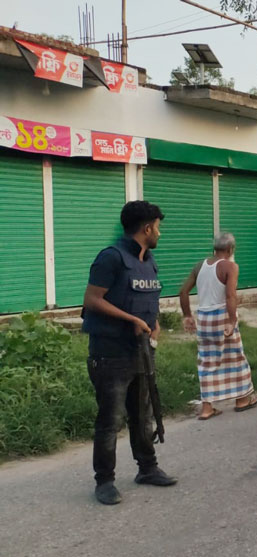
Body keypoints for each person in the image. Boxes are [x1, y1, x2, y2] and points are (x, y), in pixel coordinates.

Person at [81, 201, 177, 505]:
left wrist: (154, 323)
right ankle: (104, 482)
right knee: (111, 420)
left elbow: (147, 298)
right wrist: (132, 320)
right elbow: (92, 300)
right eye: (158, 227)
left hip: (142, 352)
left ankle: (147, 468)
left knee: (142, 415)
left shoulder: (148, 261)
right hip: (111, 353)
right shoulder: (111, 258)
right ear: (146, 228)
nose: (160, 233)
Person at [178, 233, 257, 421]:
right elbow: (231, 296)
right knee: (235, 358)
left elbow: (183, 292)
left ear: (214, 248)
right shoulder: (230, 266)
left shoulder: (200, 266)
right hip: (222, 316)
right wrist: (232, 321)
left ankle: (207, 407)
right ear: (231, 249)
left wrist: (187, 316)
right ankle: (242, 399)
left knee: (206, 362)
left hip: (204, 318)